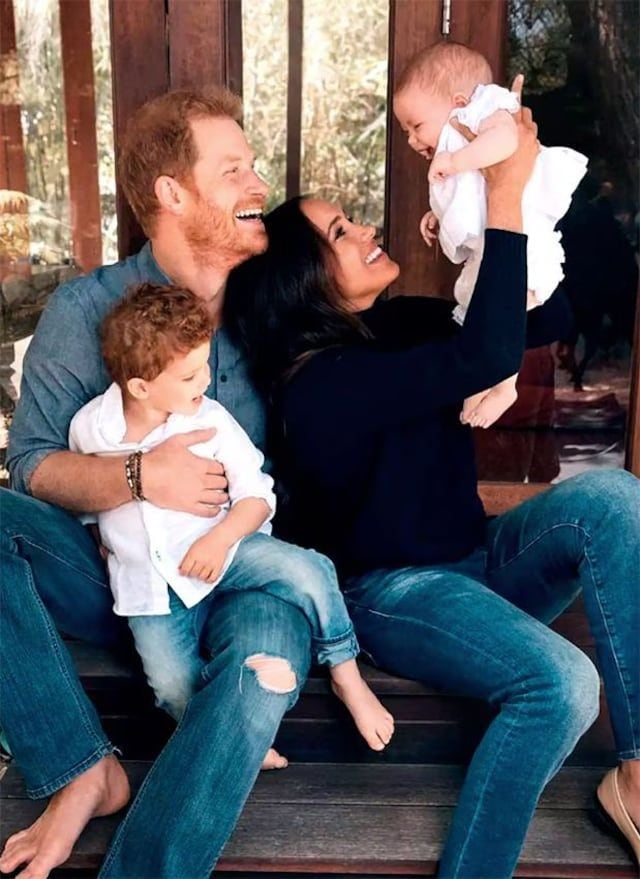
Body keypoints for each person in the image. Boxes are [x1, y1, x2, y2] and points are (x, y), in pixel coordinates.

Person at [225, 98, 640, 876]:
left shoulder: (400, 324)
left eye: (353, 220)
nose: (366, 231)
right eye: (340, 233)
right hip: (396, 594)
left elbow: (548, 315)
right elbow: (482, 356)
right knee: (561, 684)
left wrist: (484, 235)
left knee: (616, 500)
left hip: (479, 561)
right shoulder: (318, 384)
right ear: (300, 281)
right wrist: (507, 189)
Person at [1, 86, 335, 879]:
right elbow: (30, 465)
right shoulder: (87, 309)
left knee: (259, 673)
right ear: (172, 193)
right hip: (119, 575)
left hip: (246, 566)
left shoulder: (274, 303)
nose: (258, 185)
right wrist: (139, 474)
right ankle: (83, 768)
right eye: (233, 171)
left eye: (252, 166)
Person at [69, 282, 393, 750]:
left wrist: (219, 540)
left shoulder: (211, 419)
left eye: (205, 365)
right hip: (151, 588)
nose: (204, 381)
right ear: (140, 386)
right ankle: (226, 738)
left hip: (229, 546)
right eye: (188, 376)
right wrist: (100, 534)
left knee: (310, 570)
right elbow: (88, 496)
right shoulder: (91, 428)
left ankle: (346, 673)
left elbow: (258, 496)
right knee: (169, 683)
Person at [393, 41, 587, 429]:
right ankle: (484, 379)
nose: (413, 141)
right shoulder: (460, 142)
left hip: (525, 238)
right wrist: (437, 214)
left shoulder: (487, 111)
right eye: (405, 132)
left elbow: (506, 143)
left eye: (416, 126)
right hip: (495, 241)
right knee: (475, 307)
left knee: (506, 308)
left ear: (459, 101)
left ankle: (505, 383)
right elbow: (474, 195)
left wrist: (455, 160)